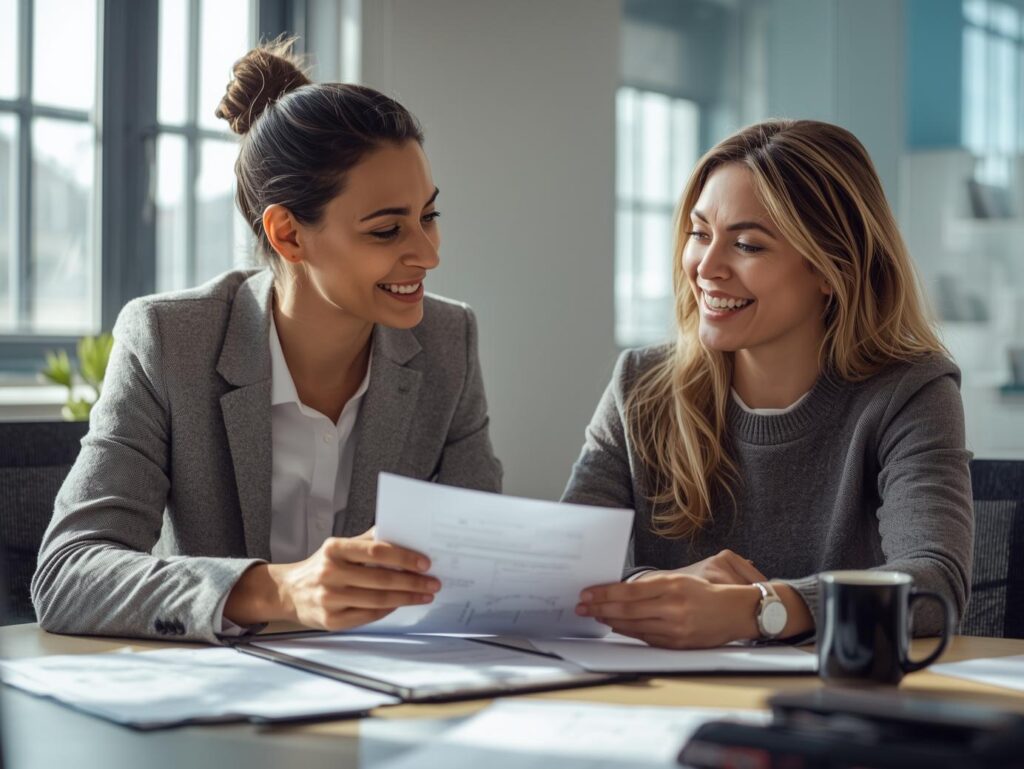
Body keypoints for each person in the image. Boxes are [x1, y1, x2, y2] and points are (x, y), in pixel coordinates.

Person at [31, 39, 501, 643]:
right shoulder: (169, 341)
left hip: (385, 692)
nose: (429, 253)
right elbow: (69, 574)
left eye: (428, 216)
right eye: (387, 229)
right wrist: (280, 590)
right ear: (289, 234)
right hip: (218, 708)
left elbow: (485, 554)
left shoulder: (447, 340)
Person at [566, 119, 972, 649]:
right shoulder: (639, 386)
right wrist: (656, 591)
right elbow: (560, 570)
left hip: (836, 713)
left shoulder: (911, 393)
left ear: (832, 269)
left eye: (748, 245)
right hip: (663, 709)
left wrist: (759, 610)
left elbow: (933, 587)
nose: (707, 267)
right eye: (699, 233)